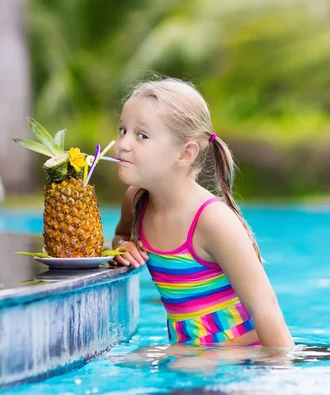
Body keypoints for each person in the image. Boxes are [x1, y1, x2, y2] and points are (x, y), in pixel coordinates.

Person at [111, 77, 294, 348]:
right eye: (122, 130)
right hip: (190, 355)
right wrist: (122, 247)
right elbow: (121, 235)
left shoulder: (212, 221)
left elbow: (266, 311)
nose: (123, 144)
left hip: (241, 356)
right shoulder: (137, 201)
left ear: (185, 154)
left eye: (142, 135)